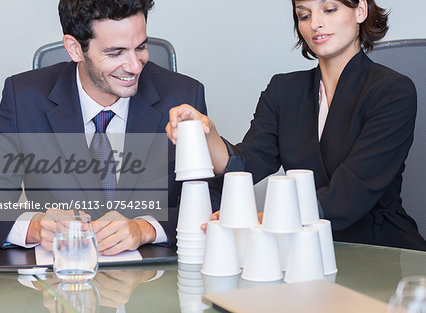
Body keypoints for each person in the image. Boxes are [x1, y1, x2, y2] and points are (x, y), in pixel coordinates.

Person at [167, 0, 426, 250]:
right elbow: (247, 165)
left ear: (360, 10)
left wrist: (265, 217)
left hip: (377, 247)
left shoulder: (392, 90)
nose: (316, 23)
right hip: (302, 246)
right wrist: (206, 132)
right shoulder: (283, 90)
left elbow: (350, 193)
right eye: (304, 15)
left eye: (329, 9)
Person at [0, 0, 212, 255]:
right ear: (75, 49)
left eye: (141, 47)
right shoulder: (23, 98)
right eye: (115, 53)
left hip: (154, 277)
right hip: (61, 281)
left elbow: (215, 201)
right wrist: (36, 226)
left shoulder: (183, 96)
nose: (134, 66)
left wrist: (146, 228)